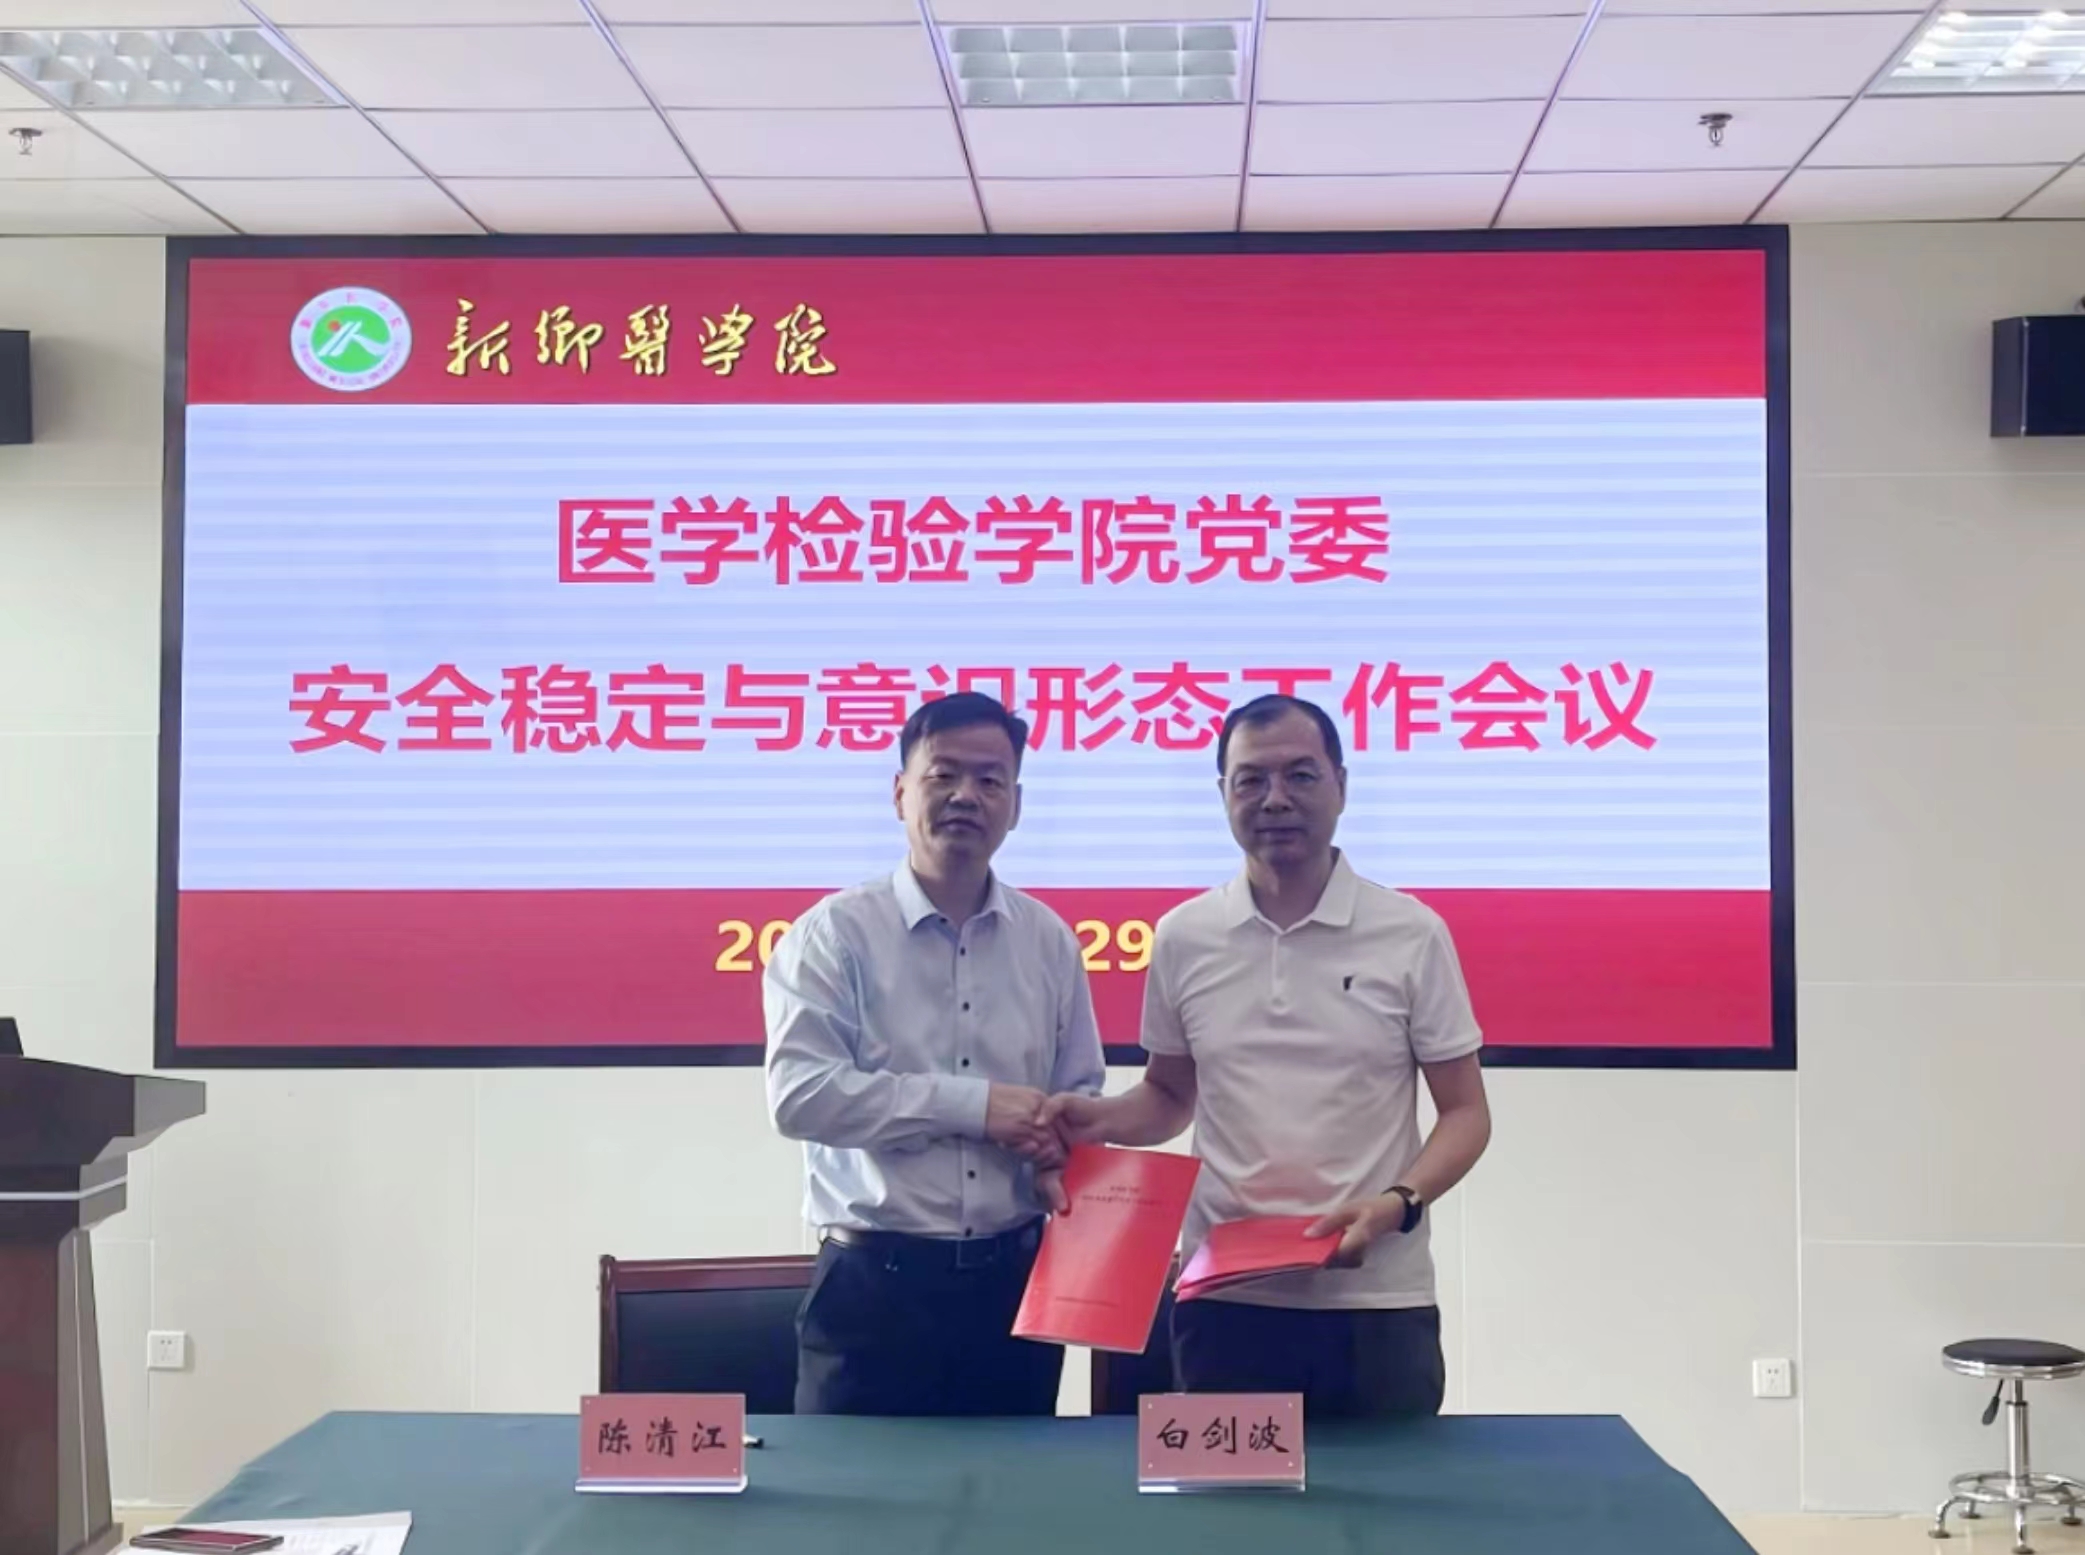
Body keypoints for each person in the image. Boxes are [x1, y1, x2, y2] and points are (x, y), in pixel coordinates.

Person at [1044, 694, 1491, 1419]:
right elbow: (1168, 1094)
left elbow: (1466, 1112)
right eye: (1250, 779)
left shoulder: (1410, 932)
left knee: (1387, 1496)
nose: (1274, 799)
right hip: (1225, 1301)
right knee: (1231, 1495)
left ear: (1340, 785)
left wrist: (1397, 1204)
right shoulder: (1184, 935)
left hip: (1376, 1301)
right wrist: (1091, 1119)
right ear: (1223, 792)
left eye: (1299, 775)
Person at [765, 692, 1106, 1417]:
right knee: (851, 1493)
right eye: (942, 774)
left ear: (1016, 804)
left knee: (1015, 1489)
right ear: (899, 792)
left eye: (990, 779)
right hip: (872, 1291)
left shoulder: (1049, 941)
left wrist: (1060, 1154)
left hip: (1012, 1290)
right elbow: (800, 1096)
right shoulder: (833, 934)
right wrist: (975, 1107)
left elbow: (1077, 1093)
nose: (965, 796)